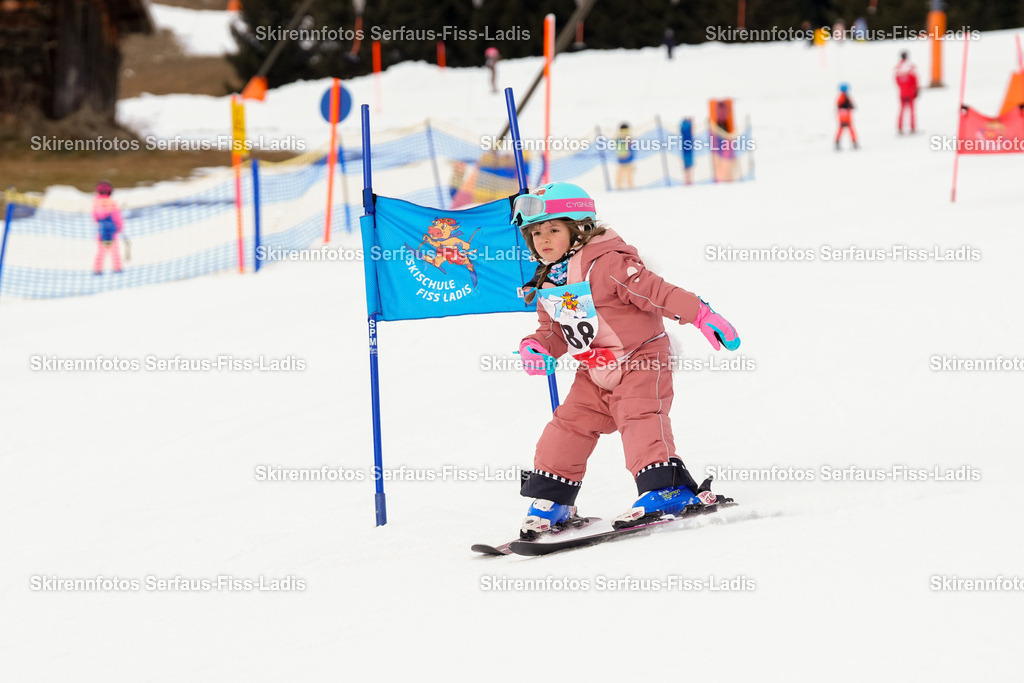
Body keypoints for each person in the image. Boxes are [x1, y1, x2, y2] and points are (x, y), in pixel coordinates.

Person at [511, 182, 740, 539]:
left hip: (641, 358)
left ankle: (665, 488)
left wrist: (700, 314)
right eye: (536, 233)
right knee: (567, 426)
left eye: (553, 229)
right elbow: (553, 330)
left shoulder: (608, 263)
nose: (543, 240)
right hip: (594, 367)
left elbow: (657, 293)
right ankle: (553, 499)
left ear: (579, 228)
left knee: (639, 416)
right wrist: (536, 346)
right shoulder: (549, 280)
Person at [92, 180, 124, 274]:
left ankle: (97, 269)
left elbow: (95, 216)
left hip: (101, 231)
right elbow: (117, 216)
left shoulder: (96, 203)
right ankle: (117, 268)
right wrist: (119, 226)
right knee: (115, 251)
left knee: (101, 251)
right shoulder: (112, 203)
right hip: (112, 232)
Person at [895, 50, 919, 134]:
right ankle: (912, 127)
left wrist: (902, 88)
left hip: (902, 93)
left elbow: (897, 80)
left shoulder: (898, 67)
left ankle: (900, 127)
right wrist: (916, 89)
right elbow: (915, 80)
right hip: (910, 92)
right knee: (911, 111)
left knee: (902, 110)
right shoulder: (910, 67)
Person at [835, 83, 858, 150]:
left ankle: (837, 143)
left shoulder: (841, 97)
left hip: (843, 116)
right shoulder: (844, 97)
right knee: (849, 129)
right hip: (846, 116)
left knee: (842, 129)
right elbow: (846, 106)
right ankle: (854, 143)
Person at [614, 123, 635, 189]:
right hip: (627, 160)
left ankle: (619, 187)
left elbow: (616, 148)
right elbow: (632, 149)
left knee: (621, 175)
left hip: (621, 160)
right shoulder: (629, 138)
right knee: (628, 175)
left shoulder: (618, 138)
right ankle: (629, 187)